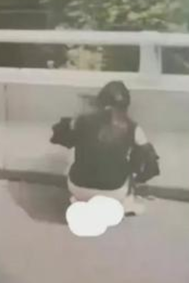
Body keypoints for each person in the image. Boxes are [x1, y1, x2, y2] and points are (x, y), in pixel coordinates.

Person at [51, 80, 160, 216]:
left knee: (74, 153)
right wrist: (138, 178)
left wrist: (75, 120)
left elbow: (58, 138)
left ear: (100, 101)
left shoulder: (82, 121)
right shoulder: (133, 127)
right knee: (135, 156)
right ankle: (126, 203)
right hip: (115, 191)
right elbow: (150, 161)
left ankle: (81, 201)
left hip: (79, 188)